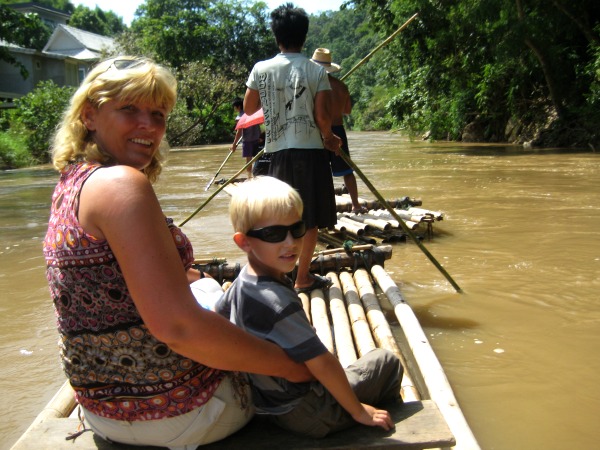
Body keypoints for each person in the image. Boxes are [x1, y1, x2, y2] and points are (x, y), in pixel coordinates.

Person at [43, 56, 313, 449]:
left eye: (158, 114)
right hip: (177, 414)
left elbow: (109, 278)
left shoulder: (71, 184)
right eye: (129, 109)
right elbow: (179, 329)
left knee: (204, 288)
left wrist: (192, 277)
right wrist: (293, 368)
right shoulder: (122, 185)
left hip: (104, 413)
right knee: (239, 311)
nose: (149, 127)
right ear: (89, 116)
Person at [215, 176, 402, 438]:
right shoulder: (277, 301)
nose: (290, 242)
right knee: (387, 362)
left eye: (297, 229)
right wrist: (359, 410)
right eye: (274, 234)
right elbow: (323, 363)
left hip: (265, 402)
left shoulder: (242, 281)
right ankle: (370, 423)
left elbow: (218, 321)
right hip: (306, 411)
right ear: (244, 242)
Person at [243, 3, 342, 294]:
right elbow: (323, 118)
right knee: (308, 219)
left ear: (277, 36)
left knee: (277, 216)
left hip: (275, 154)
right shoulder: (315, 71)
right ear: (304, 35)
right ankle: (302, 278)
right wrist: (331, 139)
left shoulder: (261, 69)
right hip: (310, 153)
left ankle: (276, 276)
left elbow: (249, 109)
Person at [311, 48, 367, 214]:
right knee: (347, 170)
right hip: (338, 130)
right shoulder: (341, 86)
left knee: (320, 171)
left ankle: (322, 208)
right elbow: (347, 111)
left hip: (320, 130)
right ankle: (356, 205)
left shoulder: (313, 86)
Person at [230, 97, 261, 178]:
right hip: (257, 138)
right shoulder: (253, 113)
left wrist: (234, 144)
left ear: (238, 107)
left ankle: (249, 177)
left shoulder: (240, 117)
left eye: (235, 107)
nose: (235, 109)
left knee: (248, 160)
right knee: (258, 158)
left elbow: (239, 132)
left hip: (247, 140)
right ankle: (257, 175)